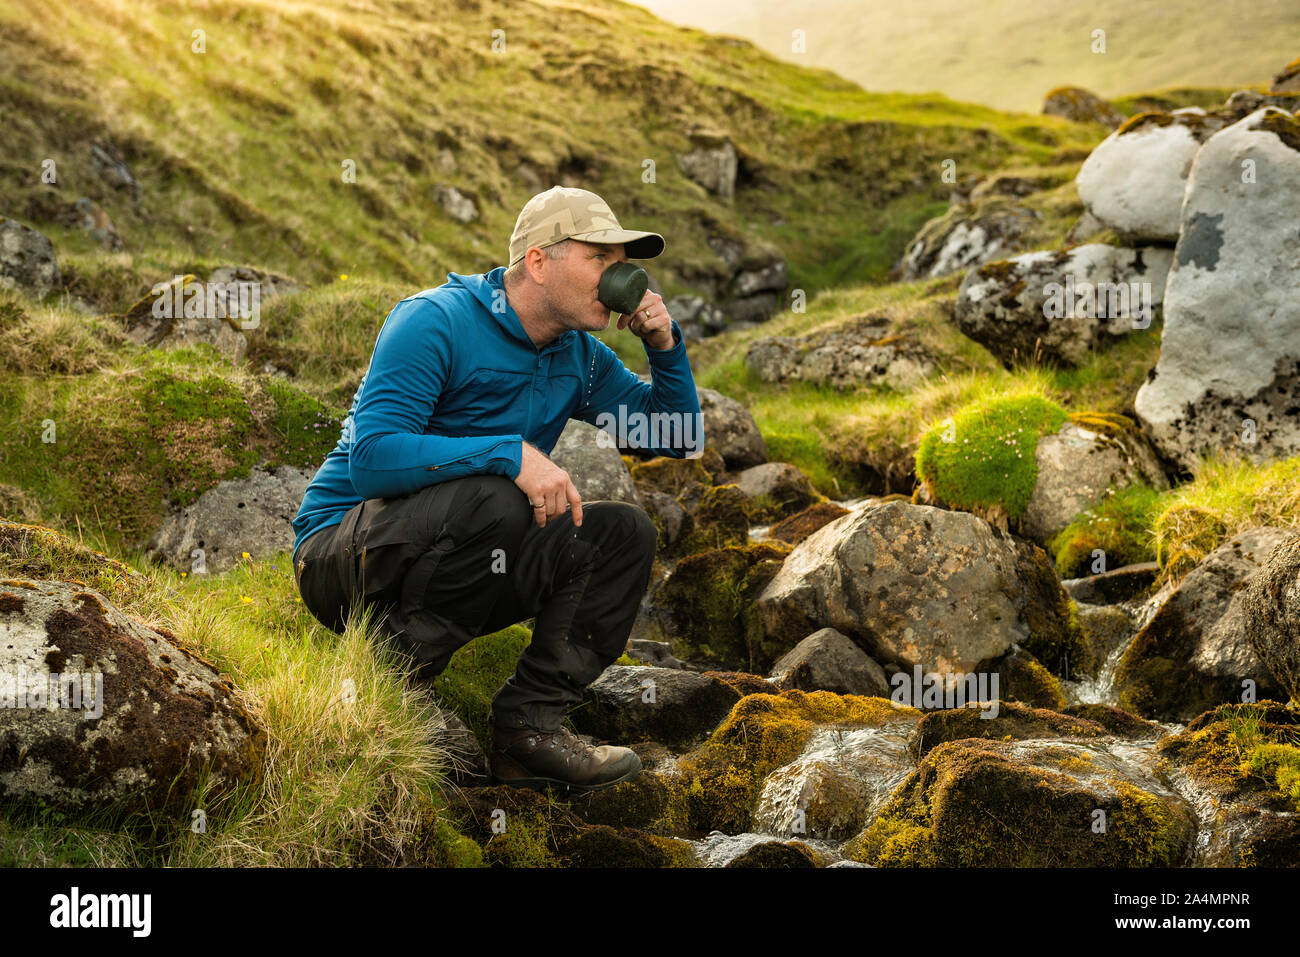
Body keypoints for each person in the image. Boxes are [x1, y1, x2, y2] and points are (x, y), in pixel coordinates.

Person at [291, 185, 703, 792]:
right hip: (343, 558)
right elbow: (372, 462)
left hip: (463, 555)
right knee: (499, 492)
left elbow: (675, 435)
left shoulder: (579, 356)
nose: (622, 282)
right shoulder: (434, 320)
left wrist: (663, 345)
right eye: (601, 262)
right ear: (539, 261)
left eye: (622, 267)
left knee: (622, 535)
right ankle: (390, 676)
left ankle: (528, 733)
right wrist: (508, 453)